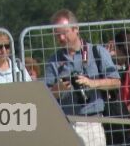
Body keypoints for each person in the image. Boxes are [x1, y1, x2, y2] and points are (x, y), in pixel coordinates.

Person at [44, 8, 121, 146]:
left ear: (76, 29)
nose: (61, 38)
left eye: (64, 33)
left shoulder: (97, 52)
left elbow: (116, 82)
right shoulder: (53, 60)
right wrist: (58, 89)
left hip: (93, 122)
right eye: (57, 35)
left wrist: (92, 83)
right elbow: (45, 95)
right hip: (66, 124)